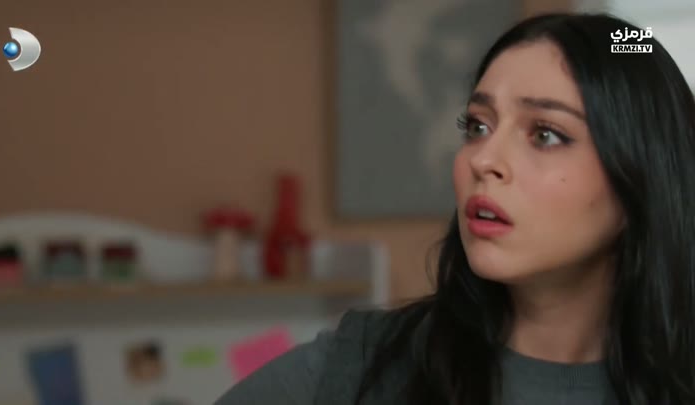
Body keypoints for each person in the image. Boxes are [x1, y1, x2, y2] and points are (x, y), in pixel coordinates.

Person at [214, 12, 695, 405]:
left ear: (643, 175)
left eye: (545, 134)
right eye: (478, 126)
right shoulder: (357, 369)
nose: (483, 160)